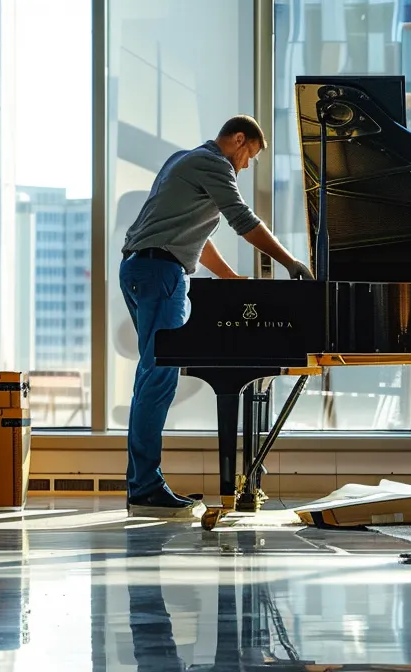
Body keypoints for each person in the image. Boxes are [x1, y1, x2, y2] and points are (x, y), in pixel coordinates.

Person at [120, 115, 313, 518]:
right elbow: (242, 221)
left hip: (143, 269)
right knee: (158, 379)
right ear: (238, 139)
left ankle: (142, 485)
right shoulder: (215, 164)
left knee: (150, 377)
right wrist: (291, 261)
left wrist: (230, 278)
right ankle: (145, 490)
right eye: (250, 156)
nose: (244, 166)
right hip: (161, 272)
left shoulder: (182, 160)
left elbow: (198, 238)